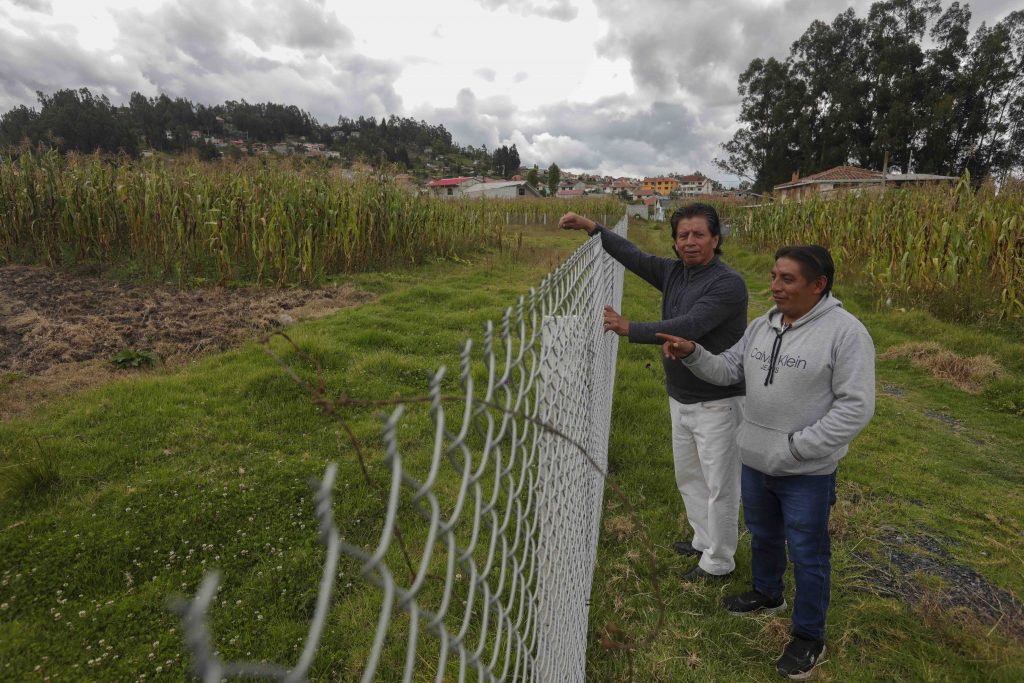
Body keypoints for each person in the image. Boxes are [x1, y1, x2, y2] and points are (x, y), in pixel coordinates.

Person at [657, 245, 875, 680]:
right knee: (763, 534)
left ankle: (809, 635)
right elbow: (727, 371)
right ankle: (767, 592)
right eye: (774, 276)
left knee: (809, 553)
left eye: (787, 279)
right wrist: (694, 353)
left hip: (806, 470)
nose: (774, 286)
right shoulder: (763, 325)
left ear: (819, 285)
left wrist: (796, 448)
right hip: (755, 459)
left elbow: (855, 408)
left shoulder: (846, 334)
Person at [558, 204, 748, 580]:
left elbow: (690, 325)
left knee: (719, 486)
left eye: (698, 235)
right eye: (683, 236)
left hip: (718, 402)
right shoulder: (675, 272)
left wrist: (632, 328)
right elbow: (634, 256)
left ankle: (719, 561)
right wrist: (592, 227)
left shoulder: (727, 283)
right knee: (689, 476)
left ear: (716, 239)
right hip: (681, 395)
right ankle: (702, 539)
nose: (690, 242)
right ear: (675, 243)